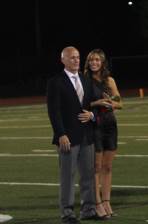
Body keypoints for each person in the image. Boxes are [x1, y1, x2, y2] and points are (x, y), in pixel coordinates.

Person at [47, 46, 98, 223]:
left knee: (88, 175)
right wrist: (60, 134)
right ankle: (67, 213)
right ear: (63, 60)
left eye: (77, 57)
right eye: (71, 58)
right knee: (68, 176)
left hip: (87, 135)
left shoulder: (85, 79)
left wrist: (92, 115)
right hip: (68, 137)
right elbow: (54, 111)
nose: (76, 60)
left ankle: (88, 210)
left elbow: (94, 105)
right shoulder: (56, 81)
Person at [84, 49, 123, 218]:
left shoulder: (109, 80)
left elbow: (119, 103)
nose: (94, 63)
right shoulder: (85, 80)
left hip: (110, 124)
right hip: (95, 125)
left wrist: (111, 104)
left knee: (108, 166)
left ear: (102, 62)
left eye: (97, 60)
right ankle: (97, 203)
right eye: (91, 60)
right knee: (96, 167)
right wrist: (97, 102)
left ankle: (107, 201)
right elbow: (83, 104)